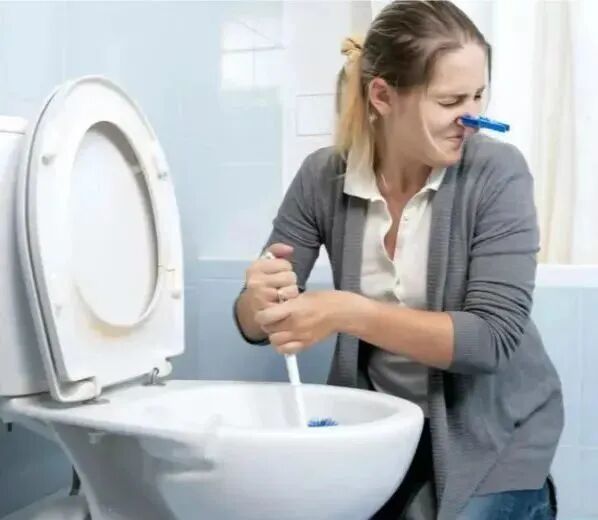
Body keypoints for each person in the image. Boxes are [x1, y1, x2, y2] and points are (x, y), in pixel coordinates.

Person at [233, 1, 563, 518]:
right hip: (386, 423)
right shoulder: (322, 177)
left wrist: (348, 313)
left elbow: (490, 341)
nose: (472, 118)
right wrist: (258, 302)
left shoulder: (498, 172)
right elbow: (254, 321)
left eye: (479, 95)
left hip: (495, 434)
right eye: (450, 100)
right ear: (383, 96)